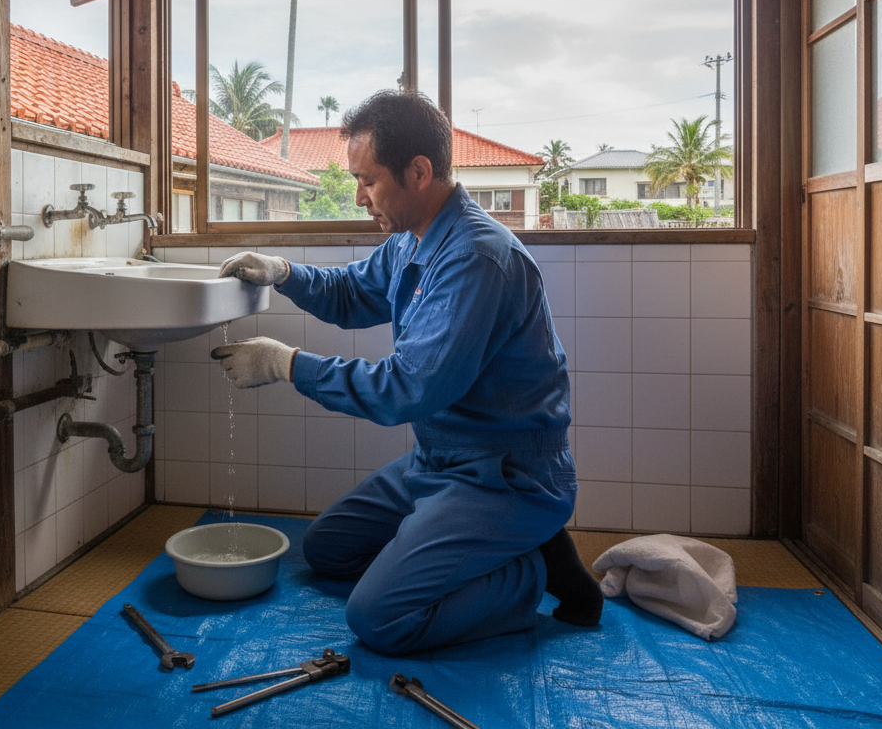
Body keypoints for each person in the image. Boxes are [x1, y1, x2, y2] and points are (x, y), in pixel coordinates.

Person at [210, 90, 602, 656]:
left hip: (505, 475)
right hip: (437, 462)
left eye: (367, 181)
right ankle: (466, 544)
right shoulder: (411, 240)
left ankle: (538, 570)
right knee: (328, 550)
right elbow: (351, 292)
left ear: (418, 171)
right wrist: (283, 272)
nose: (360, 195)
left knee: (378, 617)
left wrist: (283, 364)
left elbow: (406, 390)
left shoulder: (475, 258)